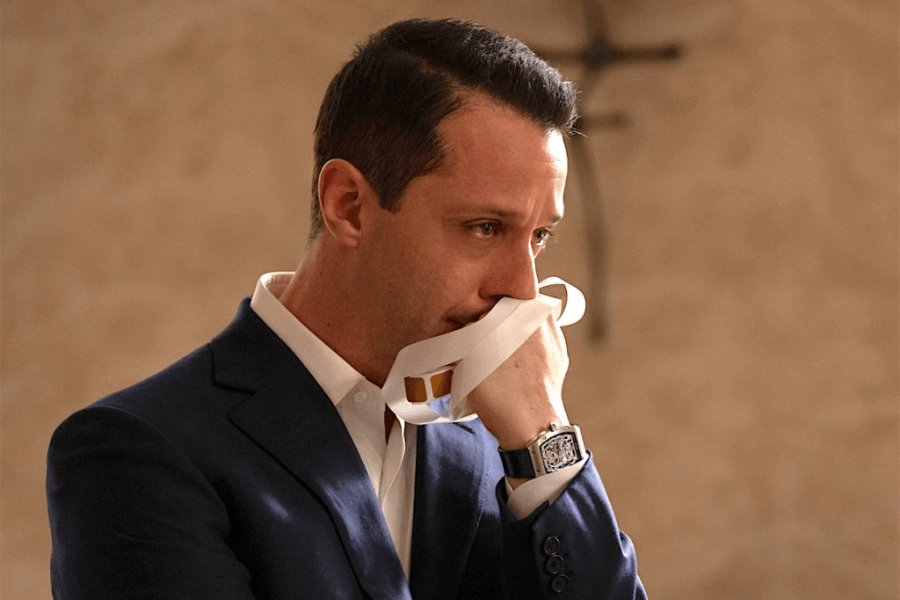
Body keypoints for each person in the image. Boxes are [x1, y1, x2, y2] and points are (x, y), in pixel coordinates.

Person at [46, 18, 645, 599]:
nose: (523, 288)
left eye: (539, 236)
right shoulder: (134, 453)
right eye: (485, 227)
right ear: (349, 205)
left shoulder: (511, 452)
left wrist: (546, 447)